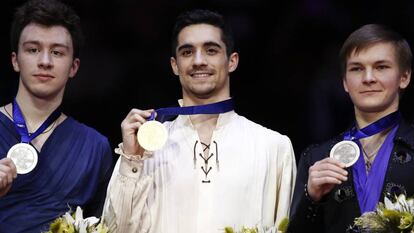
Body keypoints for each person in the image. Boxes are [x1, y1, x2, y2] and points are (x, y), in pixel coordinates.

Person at [103, 9, 296, 233]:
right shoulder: (144, 148)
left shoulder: (273, 148)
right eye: (187, 52)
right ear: (175, 65)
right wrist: (132, 160)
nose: (198, 61)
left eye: (211, 50)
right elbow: (116, 229)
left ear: (232, 61)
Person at [0, 0, 114, 232]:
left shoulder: (94, 148)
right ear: (15, 61)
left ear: (74, 67)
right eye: (33, 50)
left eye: (57, 52)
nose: (44, 61)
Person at [288, 24, 413, 232]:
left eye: (381, 67)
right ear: (345, 82)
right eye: (357, 69)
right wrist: (312, 197)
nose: (368, 78)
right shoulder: (317, 158)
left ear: (404, 77)